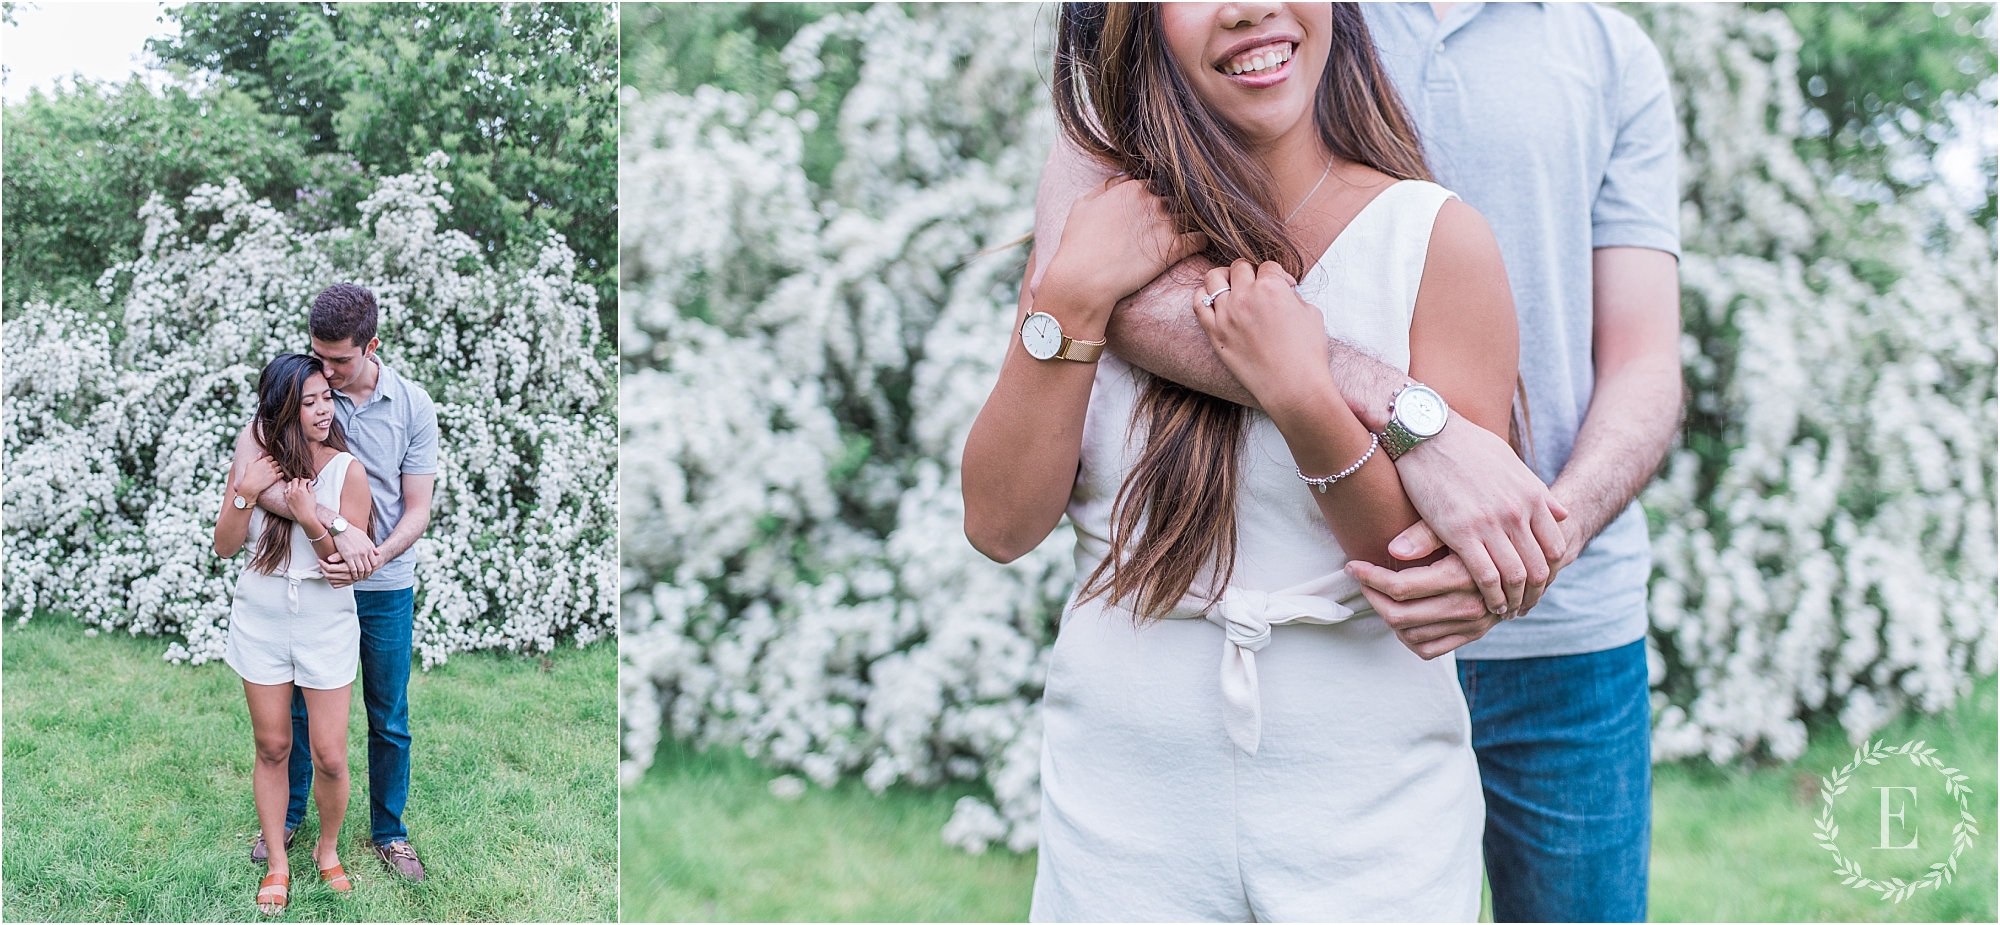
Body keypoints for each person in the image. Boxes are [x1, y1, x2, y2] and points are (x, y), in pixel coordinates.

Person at [1037, 3, 1685, 920]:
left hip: (1566, 635)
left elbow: (1648, 363)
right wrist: (1405, 411)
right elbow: (1094, 282)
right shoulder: (1279, 22)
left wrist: (1532, 541)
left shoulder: (1608, 53)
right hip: (1325, 613)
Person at [965, 3, 1528, 919]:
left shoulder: (1433, 240)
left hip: (1368, 831)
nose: (1250, 8)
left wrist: (1306, 396)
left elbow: (1422, 587)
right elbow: (997, 521)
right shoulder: (1102, 236)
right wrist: (1065, 293)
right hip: (1117, 824)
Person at [234, 284, 440, 881]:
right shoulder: (300, 391)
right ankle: (291, 817)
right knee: (296, 714)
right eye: (317, 357)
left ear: (372, 345)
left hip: (383, 584)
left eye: (340, 361)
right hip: (310, 584)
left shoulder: (412, 406)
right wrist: (335, 524)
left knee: (388, 713)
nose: (325, 372)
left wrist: (372, 554)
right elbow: (254, 478)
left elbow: (417, 508)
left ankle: (389, 833)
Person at [214, 354, 373, 914]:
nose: (323, 410)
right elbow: (225, 546)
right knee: (273, 745)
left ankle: (327, 850)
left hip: (324, 620)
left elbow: (343, 568)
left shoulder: (346, 471)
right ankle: (278, 862)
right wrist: (244, 492)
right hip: (259, 615)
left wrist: (313, 518)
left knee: (330, 754)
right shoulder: (255, 459)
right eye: (308, 403)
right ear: (283, 408)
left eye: (326, 398)